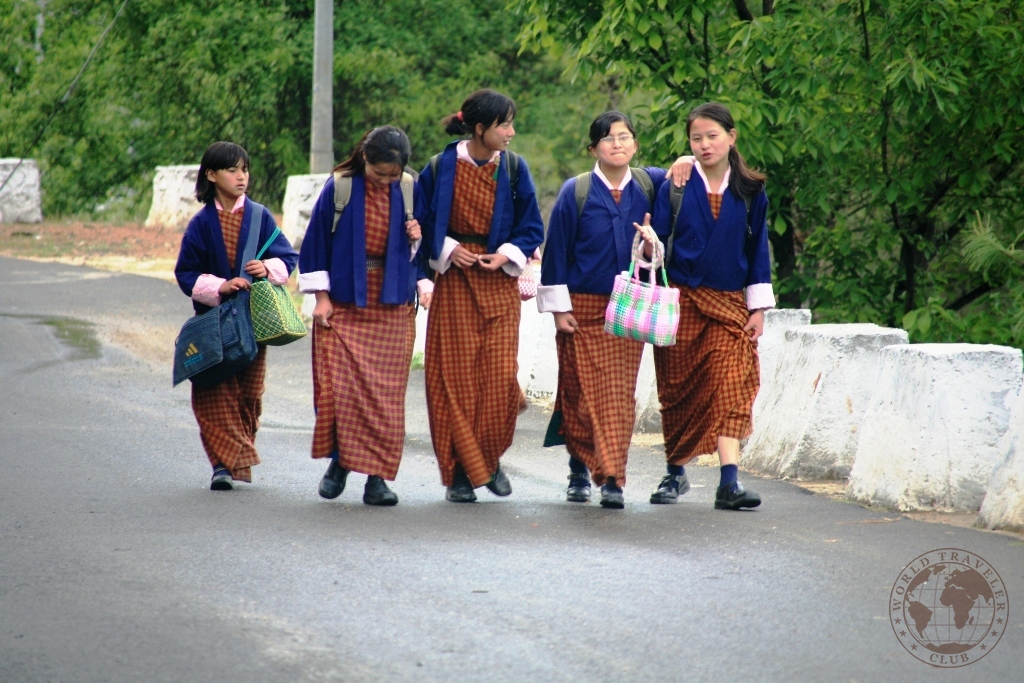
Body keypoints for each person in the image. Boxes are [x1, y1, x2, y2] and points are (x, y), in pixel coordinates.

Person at [538, 110, 692, 508]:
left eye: (624, 137)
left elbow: (689, 176)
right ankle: (578, 470)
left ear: (635, 145)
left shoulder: (649, 183)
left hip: (627, 307)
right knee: (579, 394)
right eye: (608, 138)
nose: (617, 144)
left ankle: (612, 480)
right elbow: (556, 252)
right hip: (581, 307)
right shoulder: (576, 191)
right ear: (593, 149)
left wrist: (686, 158)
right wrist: (558, 309)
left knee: (616, 397)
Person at [416, 89, 545, 503]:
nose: (511, 132)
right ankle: (460, 473)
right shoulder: (439, 167)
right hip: (454, 283)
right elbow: (419, 223)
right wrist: (449, 249)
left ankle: (488, 459)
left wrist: (506, 254)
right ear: (478, 128)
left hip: (499, 283)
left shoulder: (514, 168)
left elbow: (532, 226)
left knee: (499, 378)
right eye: (503, 125)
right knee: (454, 381)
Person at [647, 102, 774, 510]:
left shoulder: (751, 192)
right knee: (678, 389)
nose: (704, 145)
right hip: (682, 301)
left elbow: (757, 252)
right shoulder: (677, 185)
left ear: (732, 137)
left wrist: (758, 308)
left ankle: (729, 482)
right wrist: (648, 242)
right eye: (696, 139)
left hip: (729, 305)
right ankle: (675, 472)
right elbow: (658, 241)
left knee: (732, 386)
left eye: (712, 136)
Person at [298, 126, 426, 506]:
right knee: (340, 392)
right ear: (364, 157)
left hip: (392, 307)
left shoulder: (409, 188)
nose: (386, 181)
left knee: (385, 398)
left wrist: (416, 237)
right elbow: (315, 244)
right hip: (344, 303)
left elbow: (422, 252)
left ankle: (377, 480)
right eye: (380, 173)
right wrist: (321, 298)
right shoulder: (339, 187)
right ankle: (340, 462)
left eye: (393, 175)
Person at [175, 141, 298, 490]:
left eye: (244, 169)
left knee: (249, 393)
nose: (241, 176)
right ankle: (222, 466)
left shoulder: (260, 217)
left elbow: (288, 258)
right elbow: (186, 273)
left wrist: (266, 267)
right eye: (232, 170)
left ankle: (236, 456)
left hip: (253, 323)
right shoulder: (201, 224)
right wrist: (221, 286)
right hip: (213, 323)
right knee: (213, 390)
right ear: (212, 175)